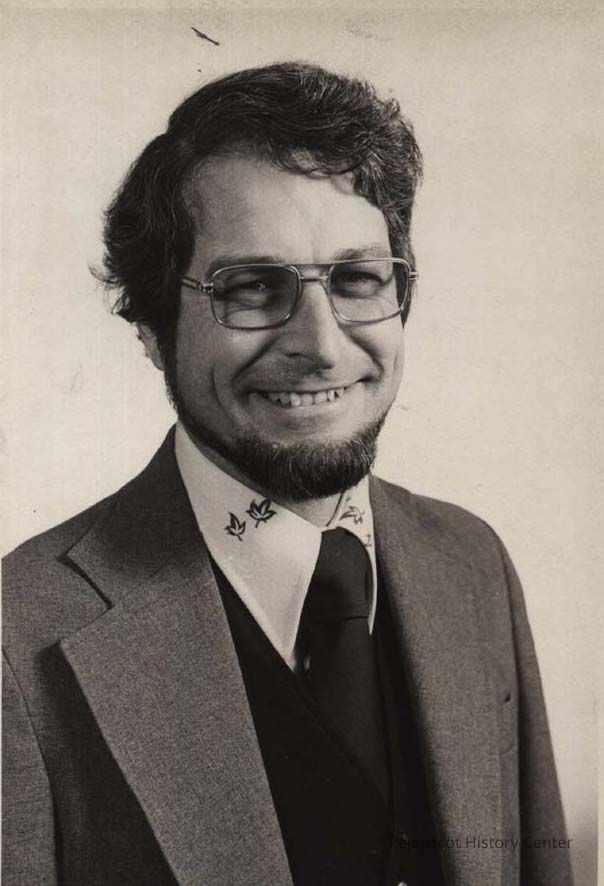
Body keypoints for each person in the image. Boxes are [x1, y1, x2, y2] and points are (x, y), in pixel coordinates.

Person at [2, 62, 572, 886]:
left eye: (357, 279)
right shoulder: (16, 636)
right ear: (153, 328)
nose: (322, 345)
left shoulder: (472, 562)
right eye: (254, 288)